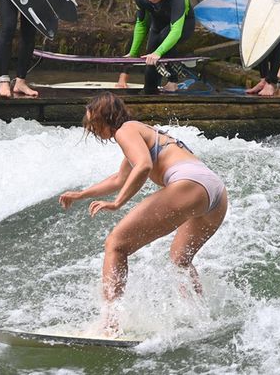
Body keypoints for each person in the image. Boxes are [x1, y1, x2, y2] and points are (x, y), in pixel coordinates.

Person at [59, 92, 227, 334]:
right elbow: (120, 178)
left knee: (116, 244)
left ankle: (110, 324)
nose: (92, 130)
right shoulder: (140, 131)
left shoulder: (125, 130)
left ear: (106, 117)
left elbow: (144, 166)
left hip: (189, 182)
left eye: (92, 123)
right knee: (180, 259)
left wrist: (117, 203)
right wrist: (81, 194)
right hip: (215, 192)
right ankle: (201, 319)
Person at [116, 0, 196, 94]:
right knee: (150, 57)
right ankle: (150, 91)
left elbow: (176, 30)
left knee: (163, 39)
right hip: (158, 24)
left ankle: (173, 81)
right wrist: (133, 53)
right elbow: (142, 24)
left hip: (183, 25)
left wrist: (158, 52)